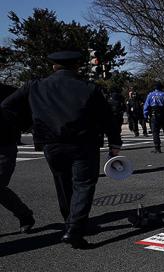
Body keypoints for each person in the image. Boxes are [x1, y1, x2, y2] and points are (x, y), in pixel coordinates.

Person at [1, 51, 122, 247]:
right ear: (77, 67)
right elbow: (107, 118)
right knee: (83, 184)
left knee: (62, 182)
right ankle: (75, 226)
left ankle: (69, 221)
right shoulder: (88, 88)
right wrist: (114, 143)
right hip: (83, 142)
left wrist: (31, 123)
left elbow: (7, 105)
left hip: (51, 142)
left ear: (53, 66)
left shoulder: (35, 86)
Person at [0, 84, 35, 233]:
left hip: (4, 145)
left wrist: (16, 126)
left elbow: (28, 116)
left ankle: (24, 215)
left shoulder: (11, 92)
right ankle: (24, 215)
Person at [144, 82, 164, 153]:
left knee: (155, 132)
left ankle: (157, 148)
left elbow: (146, 106)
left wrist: (145, 115)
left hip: (154, 114)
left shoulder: (150, 95)